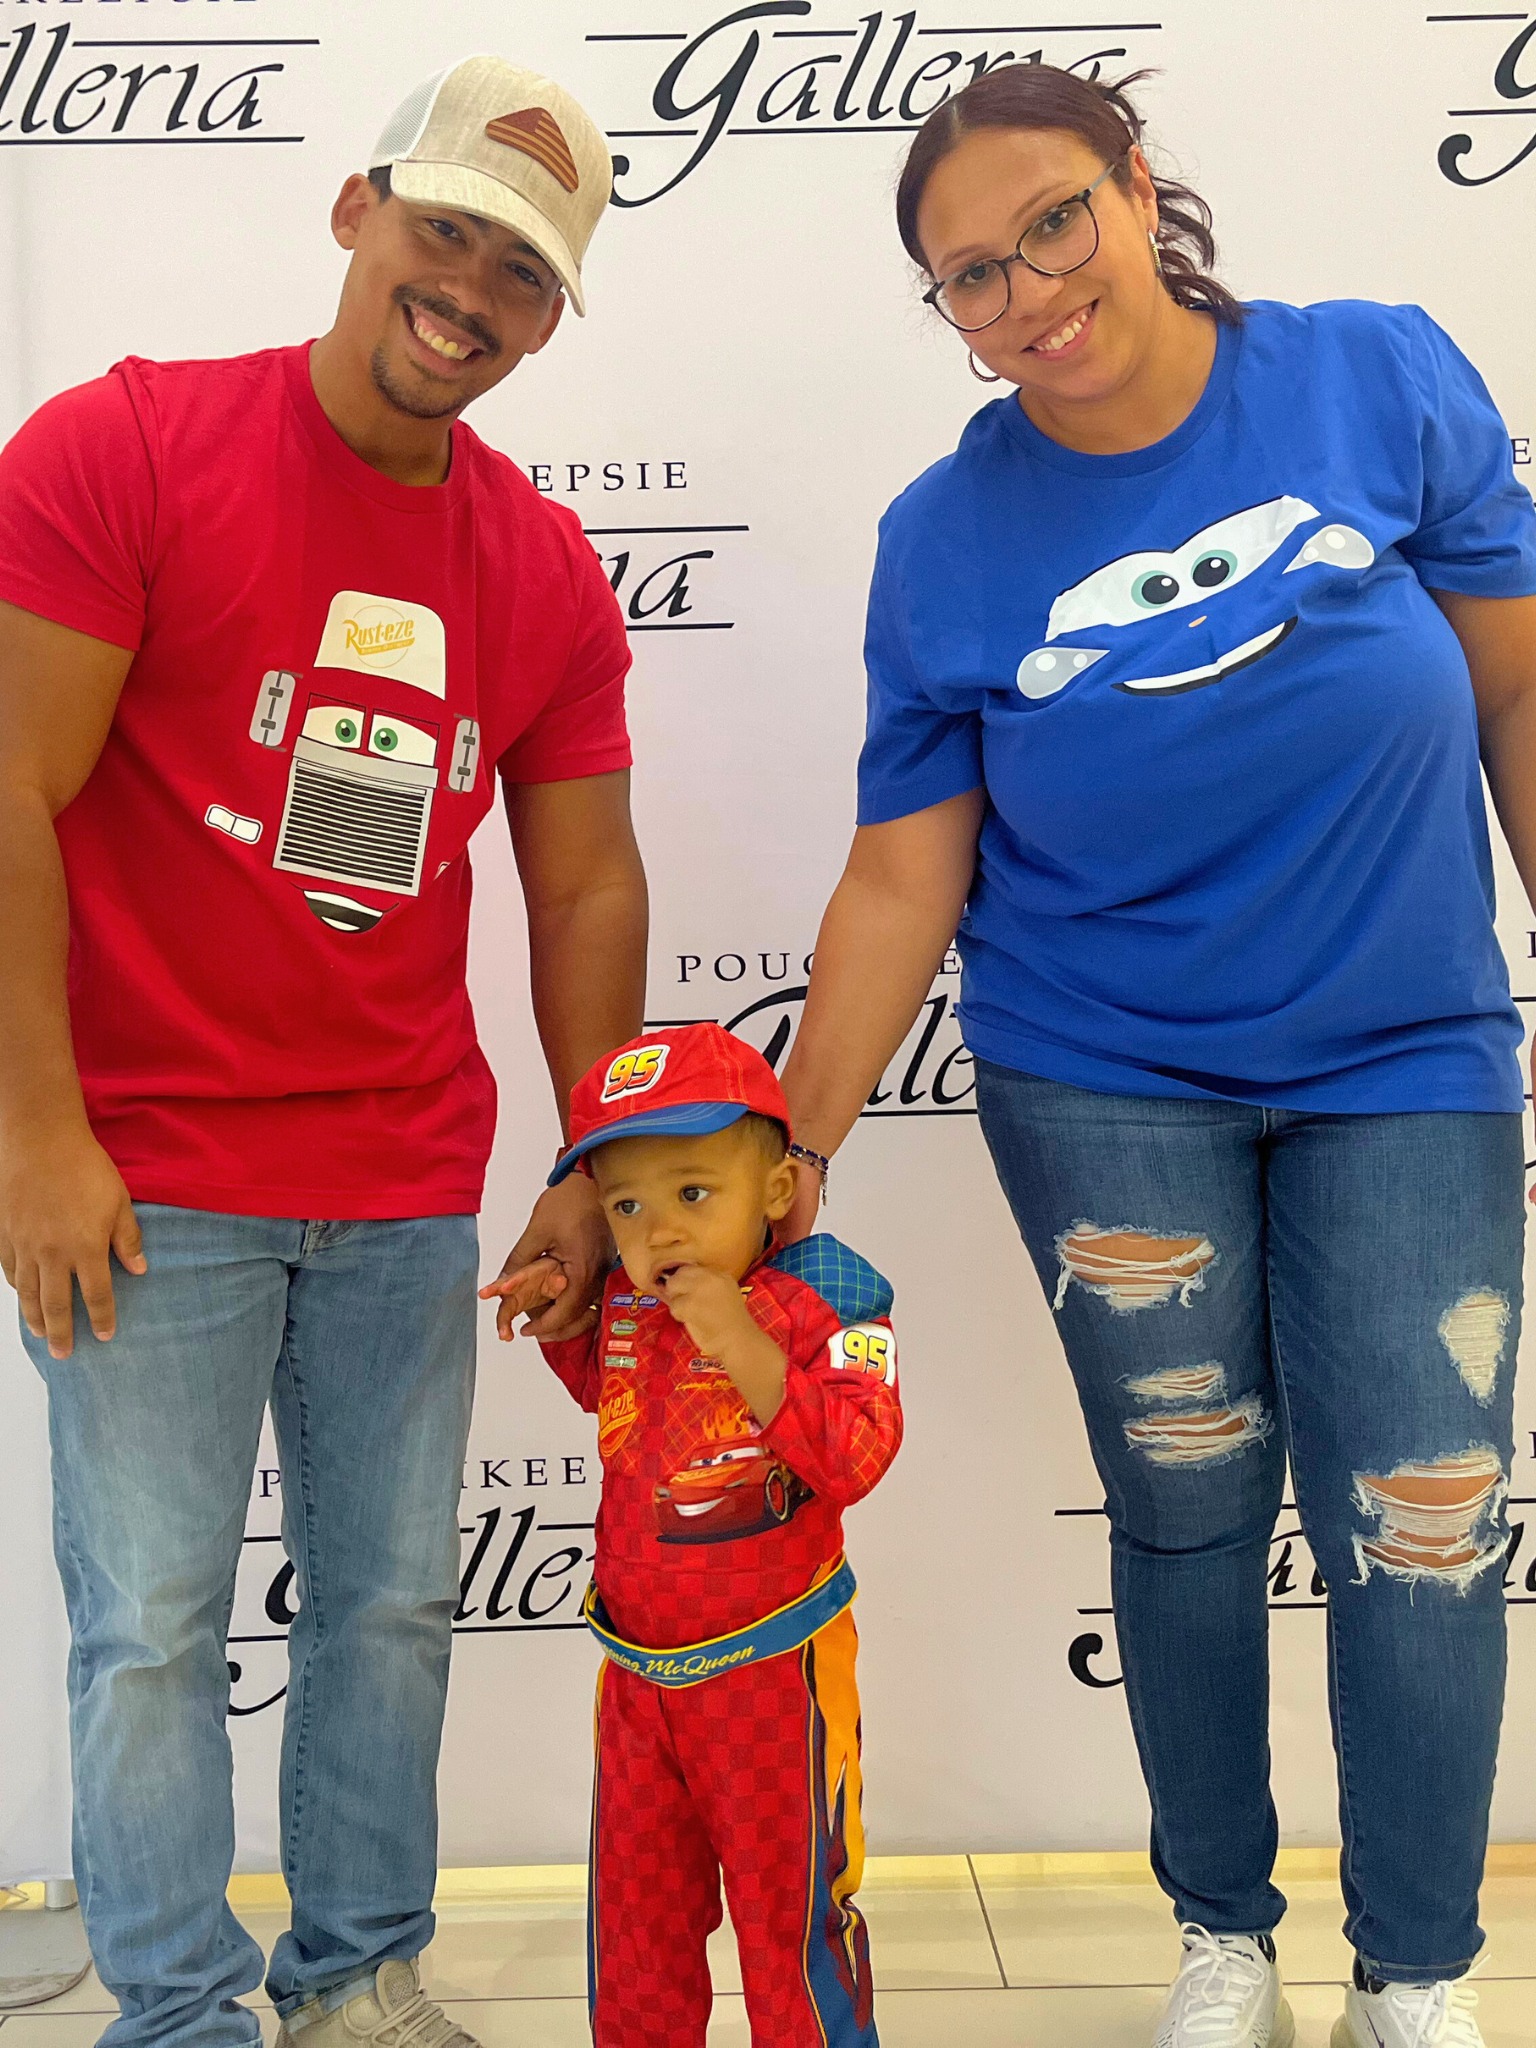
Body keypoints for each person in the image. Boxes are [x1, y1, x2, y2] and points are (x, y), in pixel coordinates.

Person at [776, 60, 1536, 2048]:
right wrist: (793, 1143)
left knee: (1429, 1509)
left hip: (1407, 1059)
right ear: (947, 312)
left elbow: (1517, 693)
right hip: (1103, 1075)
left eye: (1052, 223)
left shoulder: (1375, 379)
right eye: (971, 275)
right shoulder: (945, 538)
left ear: (1135, 185)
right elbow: (900, 875)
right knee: (1188, 1505)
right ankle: (1224, 1936)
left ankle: (1416, 1970)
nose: (1028, 290)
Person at [0, 54, 647, 2048]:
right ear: (357, 211)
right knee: (150, 1627)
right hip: (147, 1174)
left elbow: (588, 886)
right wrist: (35, 1134)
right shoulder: (124, 447)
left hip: (396, 1181)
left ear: (550, 318)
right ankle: (178, 2014)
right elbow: (10, 787)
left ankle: (357, 1979)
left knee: (383, 1608)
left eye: (521, 275)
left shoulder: (540, 567)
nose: (469, 295)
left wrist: (597, 1156)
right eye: (446, 233)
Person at [531, 1023, 901, 2048]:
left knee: (793, 1919)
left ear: (776, 1191)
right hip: (638, 1681)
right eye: (627, 1205)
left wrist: (740, 1339)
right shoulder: (628, 1303)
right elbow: (618, 1407)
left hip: (774, 1680)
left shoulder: (829, 1295)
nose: (660, 1231)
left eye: (693, 1192)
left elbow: (857, 1456)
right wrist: (564, 1321)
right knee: (636, 1927)